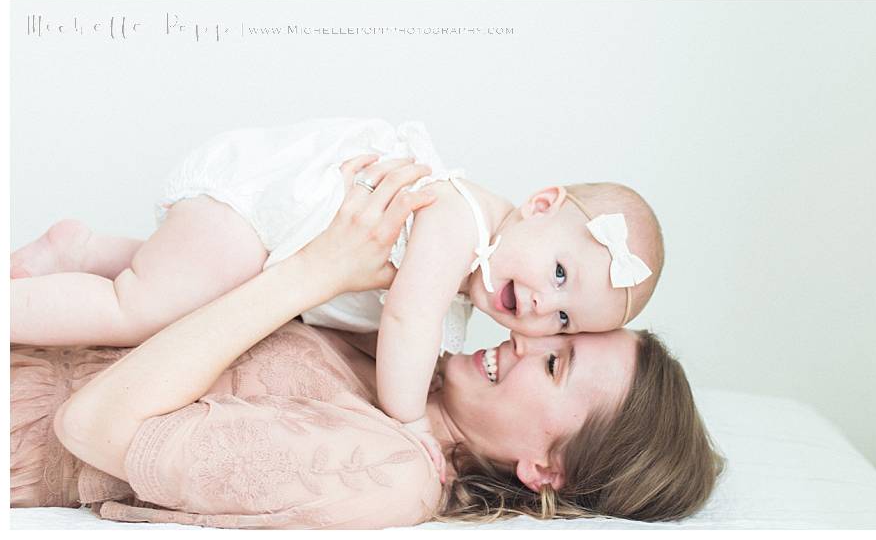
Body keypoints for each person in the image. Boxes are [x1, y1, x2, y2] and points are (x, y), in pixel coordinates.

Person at [11, 163, 722, 528]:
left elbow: (92, 426)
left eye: (558, 355)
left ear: (546, 468)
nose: (527, 330)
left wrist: (313, 270)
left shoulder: (386, 472)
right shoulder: (401, 344)